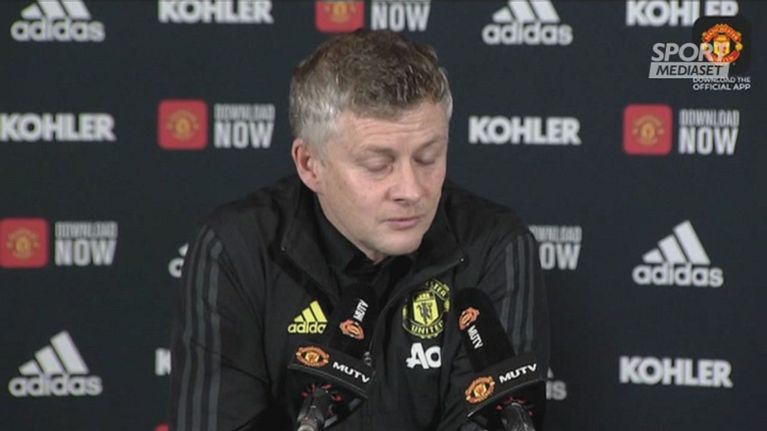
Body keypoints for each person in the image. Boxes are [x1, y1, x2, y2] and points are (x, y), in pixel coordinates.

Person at [170, 30, 549, 431]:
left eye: (428, 157)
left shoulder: (494, 246)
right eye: (377, 165)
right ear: (309, 164)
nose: (411, 190)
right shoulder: (236, 249)